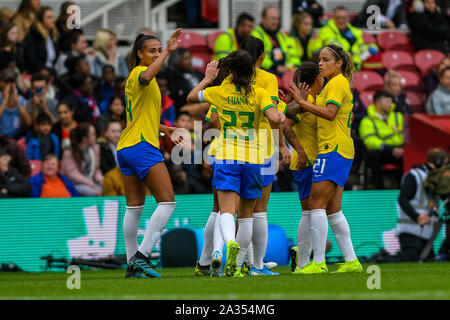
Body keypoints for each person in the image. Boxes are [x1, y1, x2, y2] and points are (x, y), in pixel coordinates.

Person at [187, 51, 285, 277]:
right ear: (252, 72)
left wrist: (208, 79)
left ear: (230, 71)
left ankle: (229, 242)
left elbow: (191, 97)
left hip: (226, 155)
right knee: (247, 214)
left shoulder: (219, 91)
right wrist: (280, 113)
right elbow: (273, 118)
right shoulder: (260, 93)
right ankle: (239, 263)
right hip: (253, 158)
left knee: (226, 211)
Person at [288, 44, 362, 273]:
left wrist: (301, 103)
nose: (321, 63)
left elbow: (330, 113)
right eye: (320, 59)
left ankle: (318, 263)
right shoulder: (331, 85)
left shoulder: (338, 83)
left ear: (339, 62)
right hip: (337, 149)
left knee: (315, 205)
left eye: (326, 59)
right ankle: (351, 261)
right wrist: (300, 101)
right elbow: (295, 113)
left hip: (333, 148)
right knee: (333, 209)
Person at [117, 29, 183, 279]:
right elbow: (145, 77)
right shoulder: (139, 74)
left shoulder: (142, 78)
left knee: (134, 208)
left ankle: (130, 264)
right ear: (140, 54)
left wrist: (166, 129)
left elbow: (140, 118)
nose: (156, 54)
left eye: (158, 50)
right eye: (152, 51)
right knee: (167, 202)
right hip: (142, 146)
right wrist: (168, 50)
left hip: (127, 147)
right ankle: (141, 257)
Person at [282, 62, 321, 271]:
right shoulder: (302, 103)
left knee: (315, 212)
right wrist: (301, 150)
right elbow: (286, 126)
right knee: (309, 212)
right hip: (305, 163)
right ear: (317, 79)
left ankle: (303, 254)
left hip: (317, 161)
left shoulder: (312, 100)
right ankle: (304, 262)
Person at [394, 148, 449, 261]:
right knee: (408, 260)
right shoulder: (414, 176)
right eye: (445, 164)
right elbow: (402, 199)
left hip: (426, 233)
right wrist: (417, 216)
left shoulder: (438, 180)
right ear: (438, 162)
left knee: (429, 261)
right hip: (410, 231)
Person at [359, 90, 404, 189]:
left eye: (391, 101)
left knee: (409, 155)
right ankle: (378, 188)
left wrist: (402, 149)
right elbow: (370, 140)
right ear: (378, 103)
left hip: (400, 149)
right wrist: (389, 149)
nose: (390, 104)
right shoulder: (367, 120)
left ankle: (404, 188)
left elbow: (406, 135)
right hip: (382, 151)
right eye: (387, 101)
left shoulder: (398, 117)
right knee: (373, 154)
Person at [310, 6, 378, 71]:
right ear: (333, 18)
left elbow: (361, 47)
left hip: (355, 68)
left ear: (348, 18)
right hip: (336, 70)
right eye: (338, 18)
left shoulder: (355, 32)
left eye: (343, 18)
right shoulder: (325, 31)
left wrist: (370, 47)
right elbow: (332, 49)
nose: (341, 20)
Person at [251, 6, 300, 76]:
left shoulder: (282, 35)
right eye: (273, 18)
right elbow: (257, 58)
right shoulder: (255, 35)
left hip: (285, 72)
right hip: (266, 72)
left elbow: (293, 54)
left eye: (278, 19)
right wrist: (276, 68)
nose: (276, 21)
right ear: (263, 19)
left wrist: (293, 66)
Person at [61, 122, 103, 196]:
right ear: (85, 138)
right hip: (74, 183)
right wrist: (92, 185)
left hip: (90, 182)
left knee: (106, 189)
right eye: (93, 134)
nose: (95, 136)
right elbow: (73, 174)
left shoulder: (95, 148)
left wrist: (101, 180)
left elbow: (96, 169)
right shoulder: (69, 152)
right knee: (91, 192)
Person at [166, 47, 206, 112]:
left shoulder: (198, 74)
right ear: (177, 60)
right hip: (183, 110)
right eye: (186, 58)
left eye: (190, 58)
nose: (190, 61)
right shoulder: (171, 76)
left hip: (200, 109)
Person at [22, 6, 59, 74]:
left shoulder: (52, 34)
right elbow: (31, 59)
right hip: (37, 73)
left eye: (53, 17)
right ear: (41, 20)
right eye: (49, 17)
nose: (53, 20)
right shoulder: (33, 35)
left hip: (51, 70)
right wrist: (43, 70)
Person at [0, 69, 31, 139]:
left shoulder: (22, 100)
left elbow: (28, 122)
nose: (9, 85)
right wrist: (5, 101)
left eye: (12, 82)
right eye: (6, 81)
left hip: (16, 137)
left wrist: (17, 102)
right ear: (1, 83)